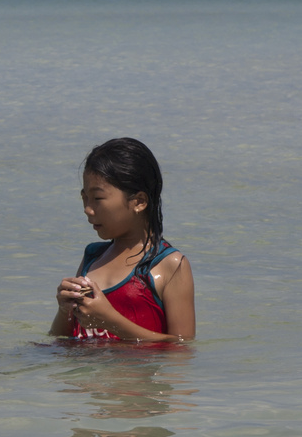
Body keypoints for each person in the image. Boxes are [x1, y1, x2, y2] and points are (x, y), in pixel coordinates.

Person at [49, 138, 195, 343]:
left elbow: (183, 349)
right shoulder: (92, 257)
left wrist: (111, 321)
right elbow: (60, 341)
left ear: (139, 202)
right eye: (84, 198)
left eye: (97, 199)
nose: (87, 209)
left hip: (132, 375)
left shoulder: (169, 264)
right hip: (86, 374)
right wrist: (64, 310)